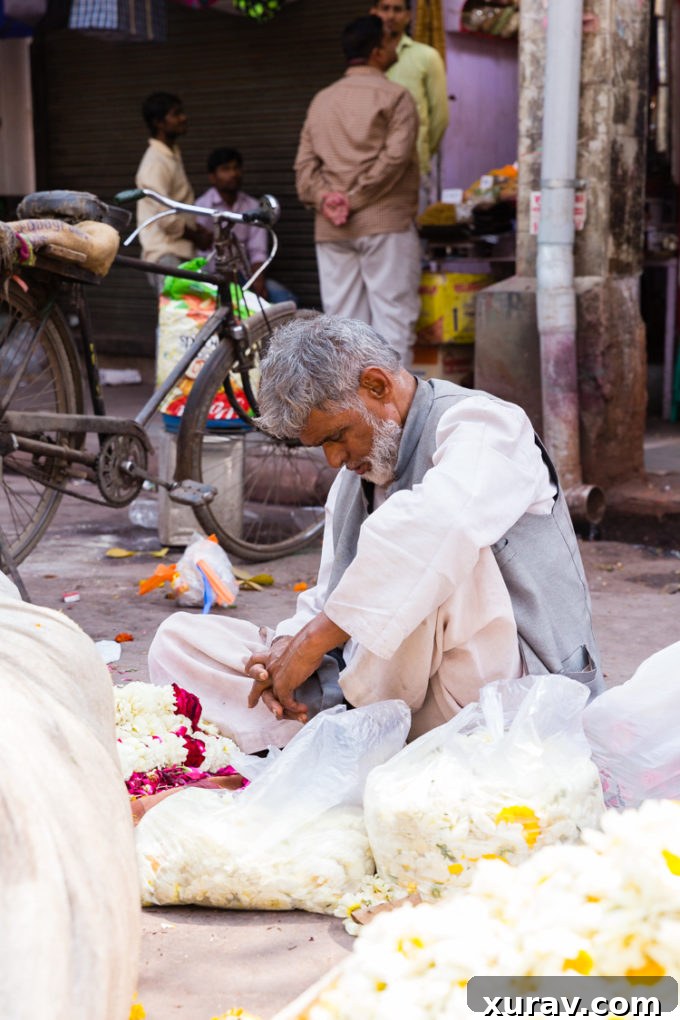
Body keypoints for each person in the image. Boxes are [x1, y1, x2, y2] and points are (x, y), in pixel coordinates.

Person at [147, 314, 603, 755]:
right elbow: (332, 593)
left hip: (507, 702)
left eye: (337, 436)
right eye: (321, 445)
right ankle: (333, 722)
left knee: (432, 555)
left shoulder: (486, 424)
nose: (333, 460)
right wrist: (286, 650)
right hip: (390, 690)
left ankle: (344, 728)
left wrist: (313, 644)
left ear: (377, 385)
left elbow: (437, 529)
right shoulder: (356, 476)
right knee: (180, 642)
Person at [294, 15, 421, 367]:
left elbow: (304, 169)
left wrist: (327, 199)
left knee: (342, 327)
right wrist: (355, 199)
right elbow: (395, 159)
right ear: (378, 51)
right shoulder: (397, 97)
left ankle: (355, 414)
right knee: (392, 319)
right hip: (385, 224)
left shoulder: (321, 100)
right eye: (392, 39)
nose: (396, 45)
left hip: (332, 228)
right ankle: (397, 416)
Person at [371, 0, 449, 209]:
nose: (390, 16)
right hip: (367, 174)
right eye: (385, 8)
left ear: (409, 16)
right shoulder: (365, 58)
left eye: (397, 9)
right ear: (374, 12)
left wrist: (420, 151)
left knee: (412, 238)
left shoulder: (427, 57)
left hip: (411, 170)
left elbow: (440, 118)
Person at [194, 146, 296, 304]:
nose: (233, 174)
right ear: (212, 177)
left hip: (244, 277)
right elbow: (201, 255)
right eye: (225, 169)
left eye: (236, 168)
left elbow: (258, 251)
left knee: (286, 301)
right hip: (212, 279)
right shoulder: (201, 207)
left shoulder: (252, 207)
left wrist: (258, 280)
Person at [135, 92, 212, 292]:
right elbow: (165, 217)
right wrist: (196, 236)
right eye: (176, 114)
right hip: (166, 255)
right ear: (159, 122)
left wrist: (195, 227)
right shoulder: (155, 162)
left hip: (178, 253)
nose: (183, 118)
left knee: (183, 318)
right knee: (177, 319)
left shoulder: (171, 154)